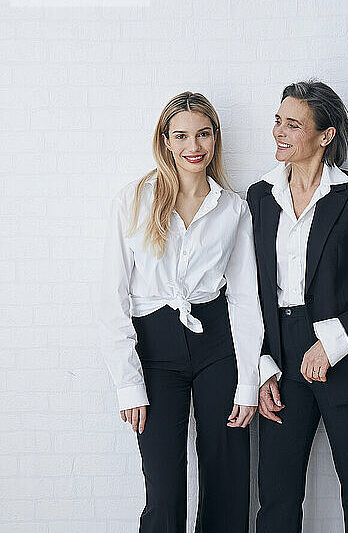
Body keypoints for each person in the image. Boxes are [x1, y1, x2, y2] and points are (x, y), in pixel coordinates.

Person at [246, 79, 348, 533]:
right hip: (279, 359)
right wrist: (262, 367)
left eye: (293, 124)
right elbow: (249, 294)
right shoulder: (259, 197)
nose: (279, 131)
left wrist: (330, 342)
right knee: (276, 498)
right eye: (278, 120)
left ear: (326, 135)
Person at [97, 91, 264, 533]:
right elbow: (112, 298)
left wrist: (248, 381)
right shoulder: (133, 200)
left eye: (204, 134)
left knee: (228, 481)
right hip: (153, 351)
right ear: (166, 140)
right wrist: (128, 384)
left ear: (215, 139)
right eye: (183, 135)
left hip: (216, 347)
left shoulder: (233, 208)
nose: (195, 146)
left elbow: (246, 300)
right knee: (165, 490)